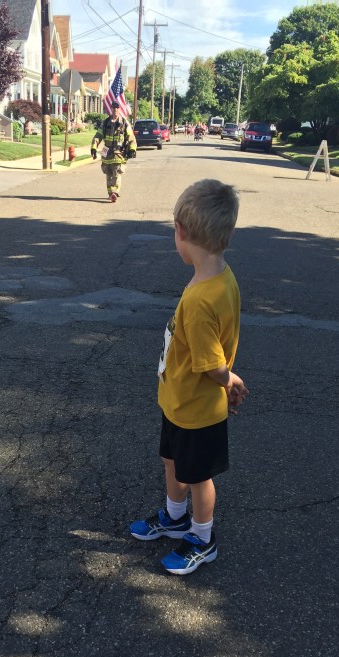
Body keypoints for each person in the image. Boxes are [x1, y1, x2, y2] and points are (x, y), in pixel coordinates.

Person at [129, 179, 249, 575]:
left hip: (197, 409)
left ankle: (202, 537)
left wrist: (228, 380)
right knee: (172, 460)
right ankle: (175, 516)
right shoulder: (220, 276)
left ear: (180, 231)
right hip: (179, 400)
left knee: (198, 477)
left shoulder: (200, 300)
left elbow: (211, 363)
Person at [90, 101, 137, 203]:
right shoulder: (105, 122)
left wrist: (132, 149)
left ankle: (114, 193)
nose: (115, 109)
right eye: (113, 107)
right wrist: (93, 147)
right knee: (108, 174)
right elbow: (98, 135)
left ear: (119, 109)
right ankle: (110, 193)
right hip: (106, 152)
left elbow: (131, 137)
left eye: (117, 108)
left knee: (117, 173)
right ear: (111, 109)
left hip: (118, 153)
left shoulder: (124, 123)